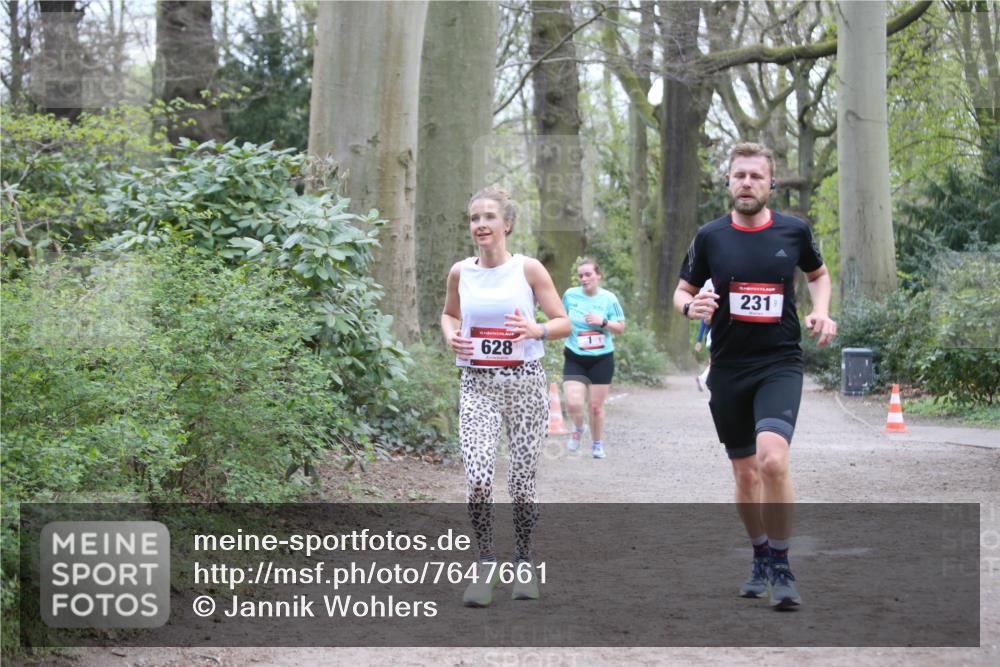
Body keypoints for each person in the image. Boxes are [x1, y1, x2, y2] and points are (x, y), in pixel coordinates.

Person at [672, 142, 837, 610]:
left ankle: (783, 567)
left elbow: (818, 275)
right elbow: (682, 293)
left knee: (772, 461)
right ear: (728, 182)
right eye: (739, 175)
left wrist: (822, 312)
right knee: (745, 475)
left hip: (779, 362)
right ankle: (760, 556)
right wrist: (692, 307)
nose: (747, 183)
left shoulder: (794, 231)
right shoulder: (710, 237)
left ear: (771, 184)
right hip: (728, 367)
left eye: (756, 176)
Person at [441, 185, 571, 607]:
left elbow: (562, 321)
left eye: (489, 217)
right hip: (477, 383)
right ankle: (483, 564)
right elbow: (449, 314)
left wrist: (538, 330)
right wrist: (451, 337)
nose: (480, 225)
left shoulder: (528, 269)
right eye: (474, 218)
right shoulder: (461, 271)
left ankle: (524, 561)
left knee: (520, 482)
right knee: (478, 480)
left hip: (525, 383)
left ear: (507, 224)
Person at [561, 258, 626, 458]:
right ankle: (578, 428)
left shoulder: (609, 299)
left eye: (588, 274)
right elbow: (561, 319)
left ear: (598, 275)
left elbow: (621, 327)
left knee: (596, 407)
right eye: (580, 275)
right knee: (573, 403)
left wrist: (603, 321)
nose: (584, 278)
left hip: (602, 358)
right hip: (575, 356)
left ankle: (597, 444)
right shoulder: (570, 295)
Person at [694, 279, 714, 392]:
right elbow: (704, 321)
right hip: (713, 337)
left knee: (713, 361)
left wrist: (699, 340)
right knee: (714, 361)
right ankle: (703, 378)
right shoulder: (709, 288)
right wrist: (699, 340)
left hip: (711, 337)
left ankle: (704, 379)